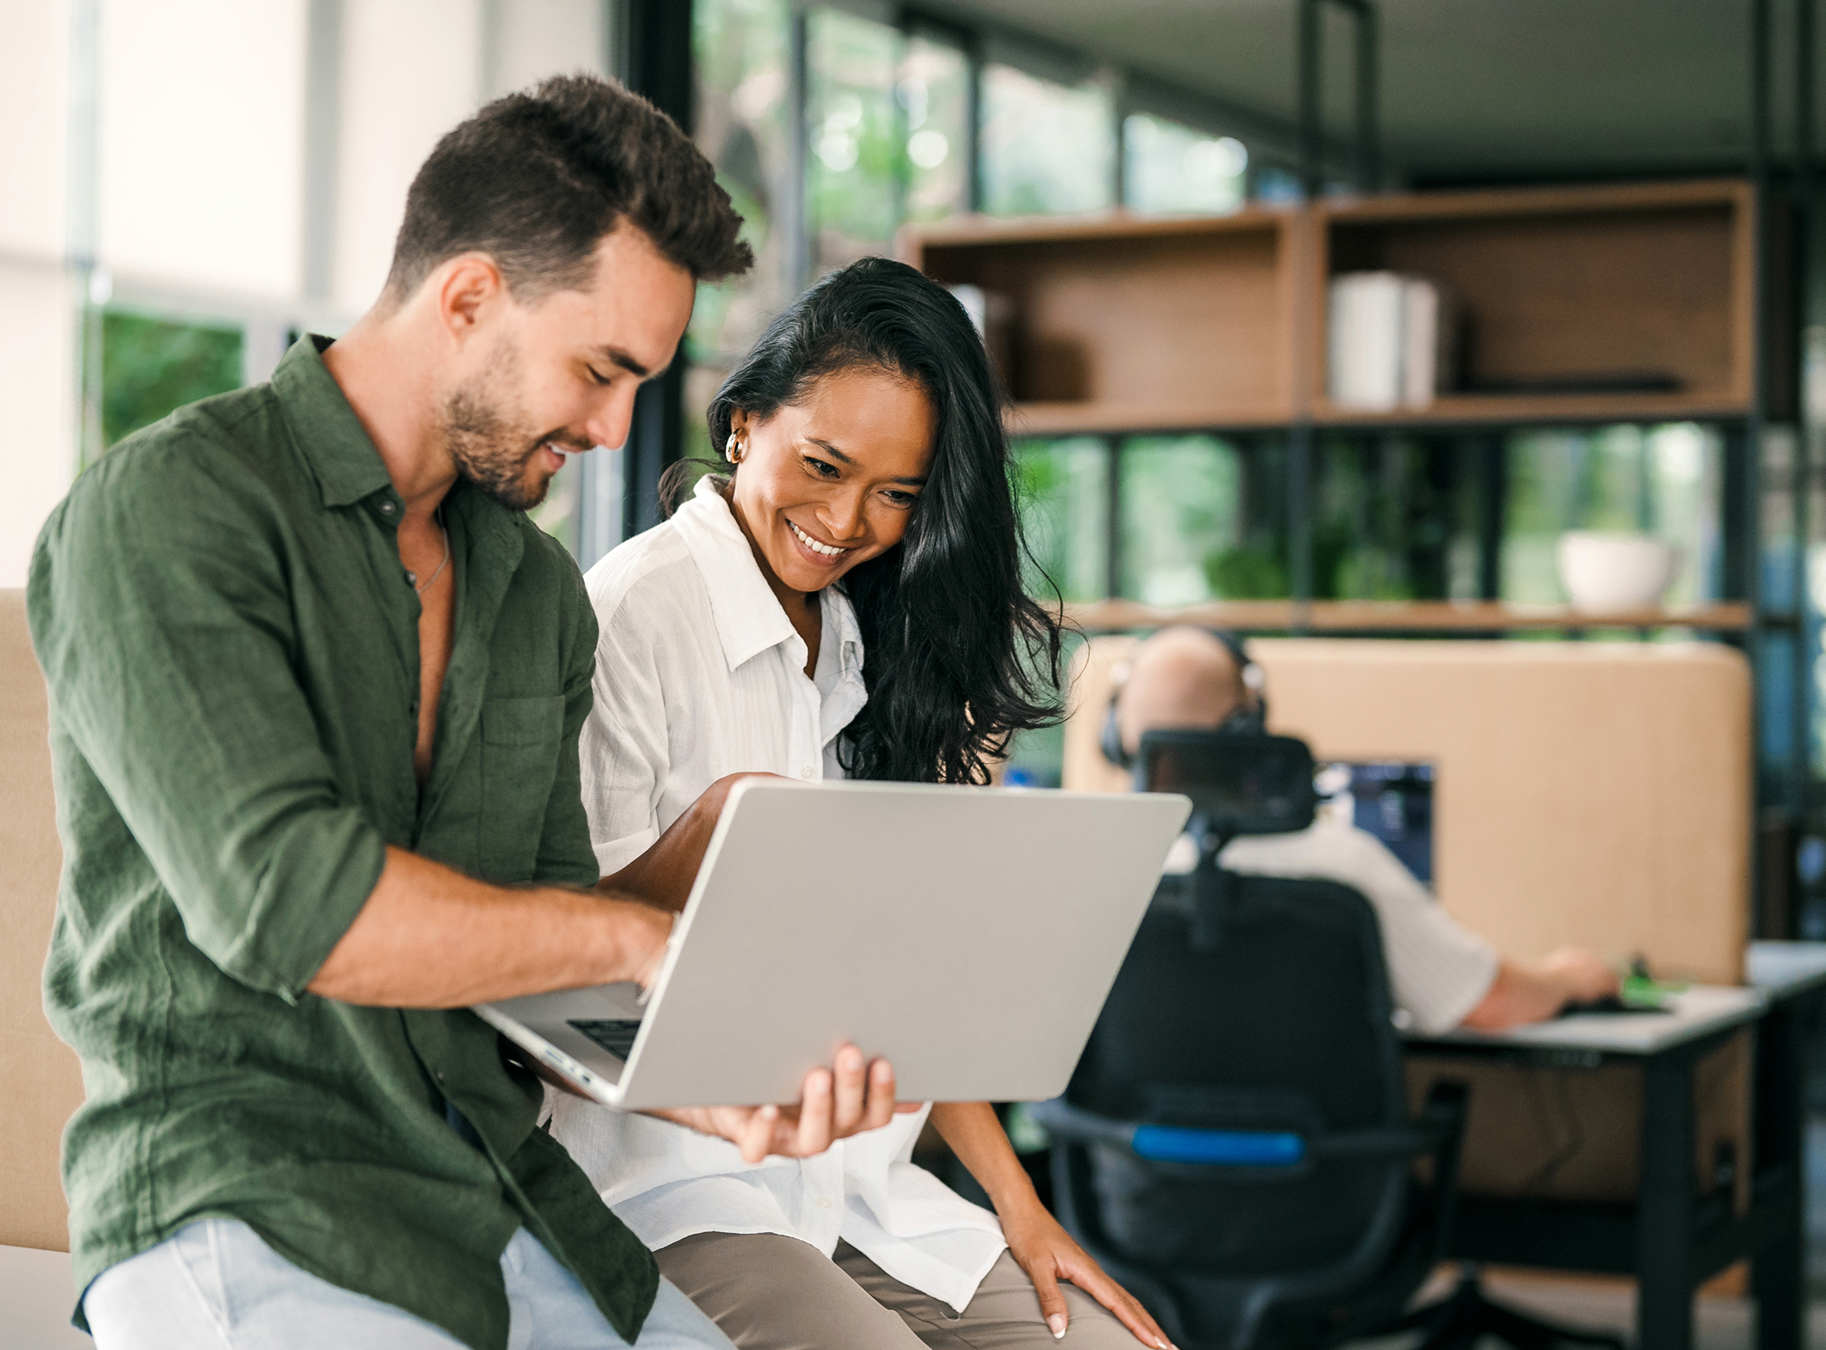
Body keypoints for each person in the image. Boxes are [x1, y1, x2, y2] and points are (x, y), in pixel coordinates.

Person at [28, 75, 904, 1350]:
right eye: (599, 372)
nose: (614, 430)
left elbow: (541, 946)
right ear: (469, 297)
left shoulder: (534, 588)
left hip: (504, 1207)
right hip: (245, 1193)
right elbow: (291, 901)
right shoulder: (171, 509)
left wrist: (710, 1081)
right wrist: (638, 948)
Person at [546, 258, 1174, 1350]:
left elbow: (902, 991)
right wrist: (721, 835)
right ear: (743, 424)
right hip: (675, 1192)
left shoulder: (852, 635)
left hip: (861, 1198)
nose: (846, 521)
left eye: (897, 495)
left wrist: (1021, 1210)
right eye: (823, 466)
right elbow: (569, 966)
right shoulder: (636, 615)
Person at [1110, 627, 1618, 1033]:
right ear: (1250, 723)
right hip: (1318, 1161)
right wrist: (1566, 978)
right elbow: (1492, 1004)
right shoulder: (1341, 869)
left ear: (1118, 737)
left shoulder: (1105, 872)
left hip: (1129, 1159)